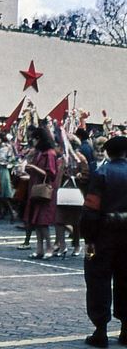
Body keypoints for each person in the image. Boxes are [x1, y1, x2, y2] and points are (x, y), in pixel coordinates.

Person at [80, 136, 127, 348]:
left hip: (103, 236)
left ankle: (100, 331)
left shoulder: (102, 173)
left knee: (98, 282)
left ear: (108, 152)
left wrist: (88, 238)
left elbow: (91, 210)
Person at [23, 127, 59, 259]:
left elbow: (51, 173)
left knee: (43, 222)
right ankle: (39, 249)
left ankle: (48, 247)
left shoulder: (49, 154)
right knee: (36, 221)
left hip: (45, 191)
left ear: (38, 139)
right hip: (36, 188)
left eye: (32, 139)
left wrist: (33, 167)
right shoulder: (40, 153)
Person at [54, 134, 88, 258]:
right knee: (59, 220)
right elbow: (57, 175)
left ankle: (77, 245)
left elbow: (86, 175)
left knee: (76, 221)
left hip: (76, 191)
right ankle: (62, 245)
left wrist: (79, 176)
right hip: (63, 191)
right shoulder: (63, 159)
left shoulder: (80, 158)